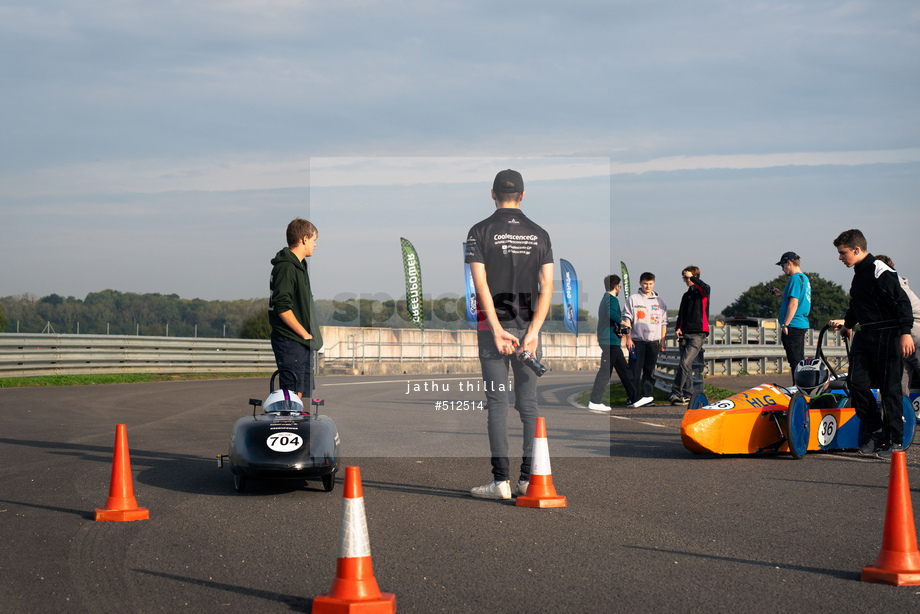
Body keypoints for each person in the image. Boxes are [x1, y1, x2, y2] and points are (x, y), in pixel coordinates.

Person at [464, 169, 554, 500]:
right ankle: (529, 481)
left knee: (497, 404)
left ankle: (500, 482)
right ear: (523, 195)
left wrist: (498, 328)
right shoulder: (540, 233)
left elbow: (480, 283)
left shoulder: (479, 231)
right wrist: (533, 333)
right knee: (528, 404)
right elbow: (547, 288)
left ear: (492, 194)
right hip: (529, 328)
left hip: (494, 329)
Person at [829, 229, 914, 458]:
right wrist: (848, 324)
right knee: (856, 384)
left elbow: (902, 303)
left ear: (857, 249)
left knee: (890, 391)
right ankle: (876, 430)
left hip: (888, 335)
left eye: (842, 253)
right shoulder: (858, 273)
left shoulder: (881, 270)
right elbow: (857, 303)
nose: (840, 258)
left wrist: (905, 332)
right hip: (865, 336)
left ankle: (895, 440)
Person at [268, 218, 324, 401]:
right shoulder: (286, 267)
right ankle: (288, 428)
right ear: (304, 239)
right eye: (314, 240)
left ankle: (300, 426)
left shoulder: (299, 266)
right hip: (290, 339)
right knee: (291, 394)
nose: (315, 244)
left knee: (302, 392)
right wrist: (304, 334)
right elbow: (282, 307)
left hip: (299, 341)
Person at [588, 275, 639, 411]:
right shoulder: (612, 299)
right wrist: (624, 322)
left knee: (624, 370)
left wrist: (620, 330)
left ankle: (635, 398)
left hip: (611, 340)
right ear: (617, 286)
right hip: (609, 341)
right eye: (619, 286)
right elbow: (611, 314)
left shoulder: (604, 299)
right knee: (605, 372)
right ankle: (595, 401)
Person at [874, 255, 920, 398]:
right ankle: (901, 416)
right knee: (899, 386)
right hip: (905, 338)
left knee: (900, 385)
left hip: (913, 336)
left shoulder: (890, 285)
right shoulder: (897, 284)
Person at [622, 272, 667, 408]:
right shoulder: (633, 299)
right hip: (637, 342)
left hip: (653, 342)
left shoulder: (660, 302)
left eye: (650, 284)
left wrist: (663, 341)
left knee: (650, 372)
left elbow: (664, 322)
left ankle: (647, 397)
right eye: (645, 283)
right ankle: (633, 397)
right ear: (640, 283)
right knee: (634, 371)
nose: (648, 286)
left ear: (654, 283)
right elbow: (626, 320)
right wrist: (628, 338)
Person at [670, 266, 711, 404]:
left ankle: (675, 392)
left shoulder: (703, 292)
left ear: (695, 277)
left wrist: (692, 278)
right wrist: (677, 328)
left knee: (684, 363)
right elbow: (681, 314)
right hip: (684, 334)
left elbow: (706, 286)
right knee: (685, 366)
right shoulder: (686, 295)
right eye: (684, 278)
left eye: (687, 277)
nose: (685, 280)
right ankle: (688, 395)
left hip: (698, 334)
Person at [768, 251, 812, 382]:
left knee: (795, 362)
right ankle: (799, 391)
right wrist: (781, 293)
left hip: (793, 325)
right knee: (798, 360)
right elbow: (797, 299)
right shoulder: (804, 278)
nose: (782, 269)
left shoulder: (794, 279)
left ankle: (799, 392)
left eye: (783, 265)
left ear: (789, 263)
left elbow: (793, 304)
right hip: (800, 323)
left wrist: (786, 324)